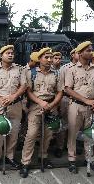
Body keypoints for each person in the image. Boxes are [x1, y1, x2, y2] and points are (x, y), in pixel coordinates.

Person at [20, 47, 63, 178]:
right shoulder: (31, 73)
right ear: (39, 59)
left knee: (48, 134)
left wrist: (51, 104)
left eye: (51, 57)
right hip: (35, 106)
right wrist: (40, 102)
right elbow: (28, 91)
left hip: (51, 106)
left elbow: (60, 92)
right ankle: (25, 162)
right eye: (46, 57)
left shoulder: (56, 73)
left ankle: (43, 157)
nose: (49, 60)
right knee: (31, 134)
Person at [65, 41, 94, 174]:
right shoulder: (71, 69)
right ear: (80, 53)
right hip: (76, 106)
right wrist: (86, 100)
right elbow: (68, 90)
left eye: (91, 50)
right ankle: (72, 161)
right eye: (88, 50)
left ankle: (90, 160)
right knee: (73, 134)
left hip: (91, 107)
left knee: (90, 134)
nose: (91, 52)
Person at [0, 45, 27, 171]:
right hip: (0, 105)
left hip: (15, 105)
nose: (10, 55)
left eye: (12, 53)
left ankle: (10, 156)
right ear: (1, 55)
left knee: (14, 132)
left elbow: (24, 85)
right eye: (7, 53)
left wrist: (13, 96)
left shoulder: (19, 69)